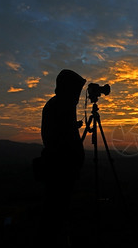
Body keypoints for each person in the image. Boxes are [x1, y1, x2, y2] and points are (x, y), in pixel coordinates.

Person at [36, 69, 86, 246]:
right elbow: (60, 138)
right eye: (76, 90)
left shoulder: (58, 104)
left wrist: (73, 126)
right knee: (55, 210)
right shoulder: (61, 105)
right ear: (68, 88)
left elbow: (60, 131)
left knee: (55, 209)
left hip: (60, 167)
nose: (78, 96)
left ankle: (55, 236)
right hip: (60, 169)